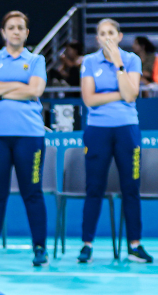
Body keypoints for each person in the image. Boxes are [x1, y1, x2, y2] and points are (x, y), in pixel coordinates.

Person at [0, 11, 49, 268]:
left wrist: (1, 89)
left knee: (33, 193)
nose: (16, 31)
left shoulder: (37, 60)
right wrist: (20, 87)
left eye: (20, 28)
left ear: (26, 33)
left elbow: (36, 90)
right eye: (11, 27)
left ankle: (40, 248)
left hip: (30, 136)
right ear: (3, 33)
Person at [79, 19, 151, 263]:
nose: (107, 37)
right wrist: (120, 93)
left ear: (119, 37)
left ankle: (135, 245)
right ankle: (87, 245)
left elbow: (131, 96)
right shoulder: (89, 62)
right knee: (94, 188)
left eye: (111, 33)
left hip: (127, 130)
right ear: (97, 39)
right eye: (102, 34)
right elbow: (89, 99)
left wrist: (118, 65)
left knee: (131, 188)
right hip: (97, 130)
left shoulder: (131, 60)